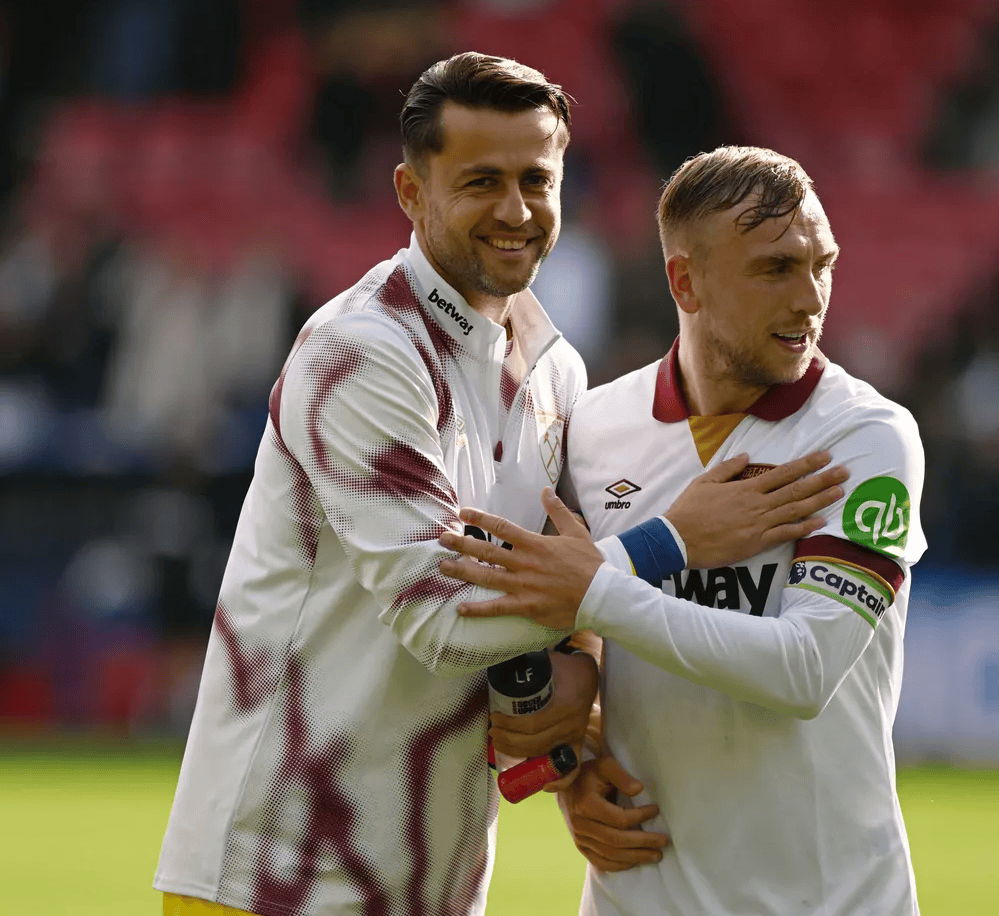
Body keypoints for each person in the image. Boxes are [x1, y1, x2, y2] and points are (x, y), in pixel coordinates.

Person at [154, 56, 846, 916]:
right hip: (276, 876)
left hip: (433, 880)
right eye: (482, 181)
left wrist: (575, 739)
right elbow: (442, 618)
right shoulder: (362, 353)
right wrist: (672, 542)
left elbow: (553, 594)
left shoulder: (556, 370)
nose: (516, 210)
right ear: (411, 193)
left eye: (536, 180)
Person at [439, 146, 928, 916]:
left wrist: (599, 586)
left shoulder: (865, 437)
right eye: (776, 269)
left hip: (828, 900)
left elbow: (804, 671)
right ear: (685, 282)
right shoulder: (597, 426)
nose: (811, 298)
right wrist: (576, 769)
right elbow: (569, 638)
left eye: (822, 265)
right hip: (639, 892)